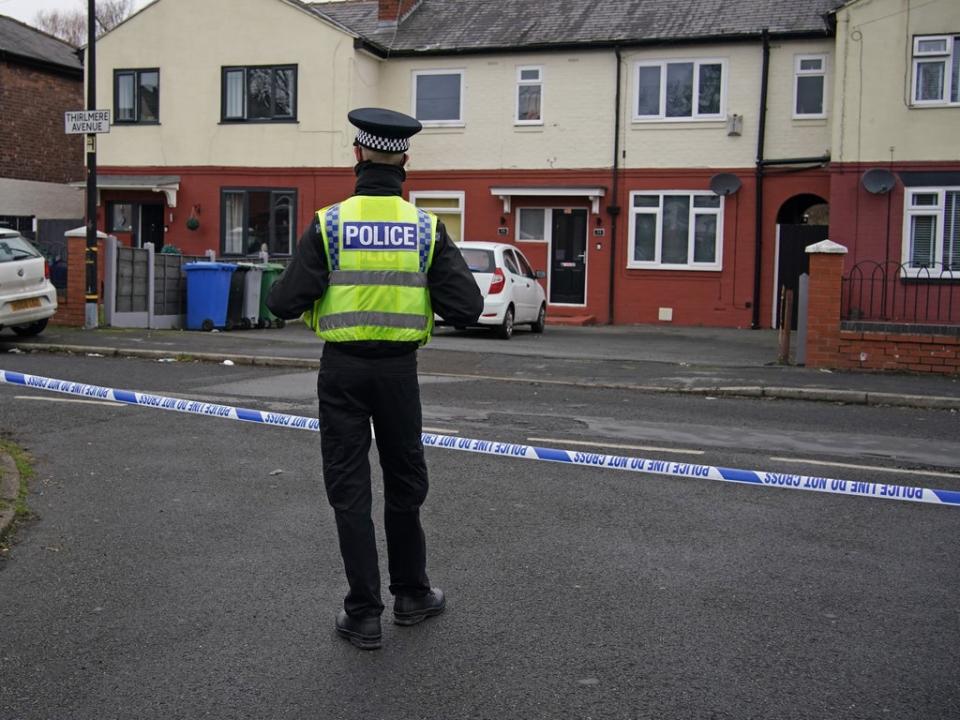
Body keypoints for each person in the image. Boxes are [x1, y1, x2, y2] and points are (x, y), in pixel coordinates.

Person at [266, 107, 483, 650]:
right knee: (405, 484)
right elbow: (467, 307)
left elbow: (282, 302)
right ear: (405, 160)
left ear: (358, 156)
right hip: (398, 374)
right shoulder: (426, 228)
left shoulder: (329, 223)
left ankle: (362, 613)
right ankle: (412, 595)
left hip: (340, 371)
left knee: (350, 490)